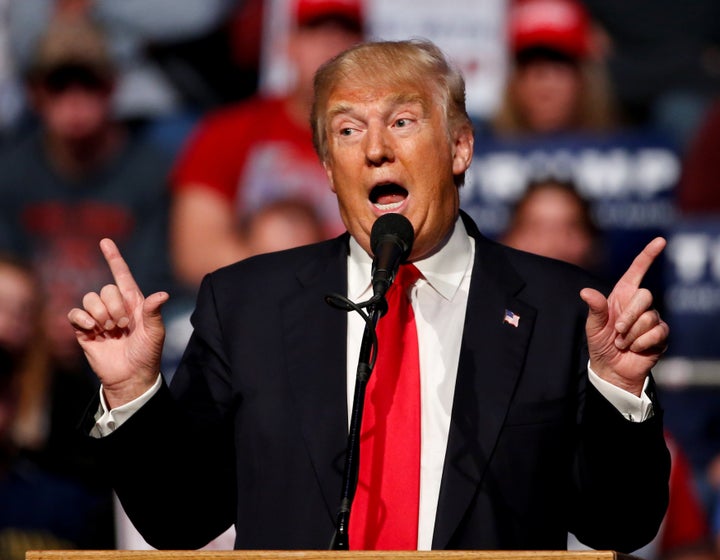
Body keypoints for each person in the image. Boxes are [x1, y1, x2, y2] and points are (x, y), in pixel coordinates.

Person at [68, 39, 670, 551]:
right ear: (330, 169)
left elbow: (618, 525)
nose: (375, 148)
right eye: (348, 129)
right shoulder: (246, 305)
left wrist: (617, 391)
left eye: (403, 121)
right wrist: (133, 393)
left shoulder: (560, 308)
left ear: (460, 147)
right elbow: (181, 519)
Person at [169, 0, 365, 287]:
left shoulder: (384, 142)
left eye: (346, 32)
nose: (331, 45)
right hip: (254, 301)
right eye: (315, 31)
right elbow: (195, 253)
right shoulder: (229, 131)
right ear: (288, 45)